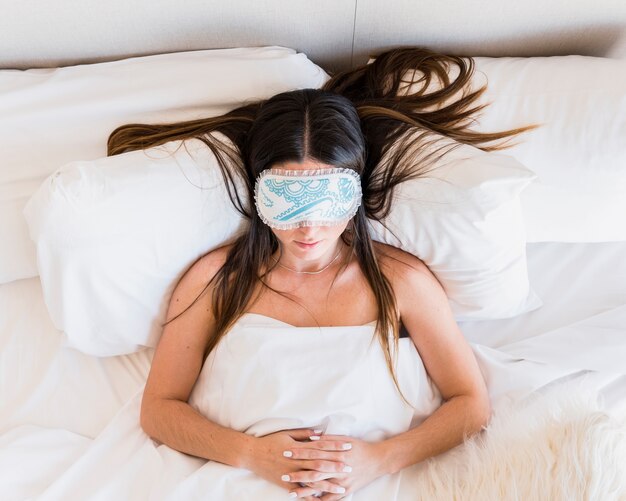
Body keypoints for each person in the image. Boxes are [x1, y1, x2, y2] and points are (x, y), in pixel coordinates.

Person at [107, 47, 534, 500]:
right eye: (288, 202)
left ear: (354, 192)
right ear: (258, 192)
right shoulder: (218, 280)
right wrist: (252, 455)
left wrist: (378, 460)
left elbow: (470, 403)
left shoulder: (401, 282)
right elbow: (158, 409)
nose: (309, 226)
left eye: (326, 201)